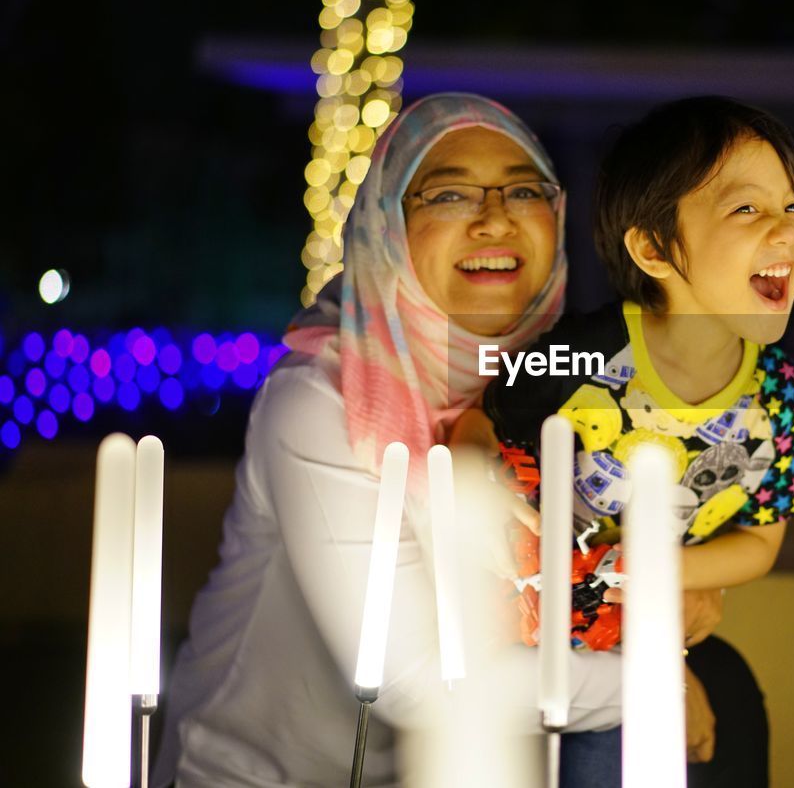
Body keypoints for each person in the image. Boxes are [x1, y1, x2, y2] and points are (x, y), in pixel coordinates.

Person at [154, 93, 630, 787]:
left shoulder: (570, 395)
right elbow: (415, 679)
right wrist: (650, 685)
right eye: (448, 195)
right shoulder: (323, 399)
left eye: (524, 190)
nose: (495, 216)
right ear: (390, 228)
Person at [455, 95, 794, 786]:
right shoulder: (581, 354)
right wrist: (489, 493)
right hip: (542, 635)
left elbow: (760, 545)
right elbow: (483, 419)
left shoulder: (781, 396)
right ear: (653, 248)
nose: (784, 229)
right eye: (748, 208)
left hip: (644, 624)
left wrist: (653, 579)